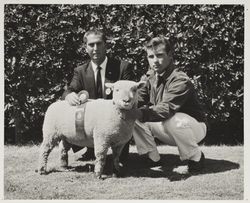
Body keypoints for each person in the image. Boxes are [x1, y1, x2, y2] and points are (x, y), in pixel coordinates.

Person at [134, 36, 207, 172]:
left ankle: (196, 157)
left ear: (170, 55)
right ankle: (152, 157)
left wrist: (139, 112)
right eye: (151, 56)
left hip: (193, 127)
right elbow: (137, 100)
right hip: (166, 125)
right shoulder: (148, 77)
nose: (155, 61)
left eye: (159, 55)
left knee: (172, 119)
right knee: (132, 117)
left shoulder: (180, 79)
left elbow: (166, 109)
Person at [62, 29, 135, 164]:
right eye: (91, 45)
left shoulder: (123, 67)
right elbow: (69, 90)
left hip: (116, 123)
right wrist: (69, 95)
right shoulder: (80, 71)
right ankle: (87, 148)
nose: (95, 48)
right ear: (85, 48)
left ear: (106, 45)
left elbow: (131, 96)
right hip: (91, 125)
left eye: (99, 44)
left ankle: (118, 151)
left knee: (122, 160)